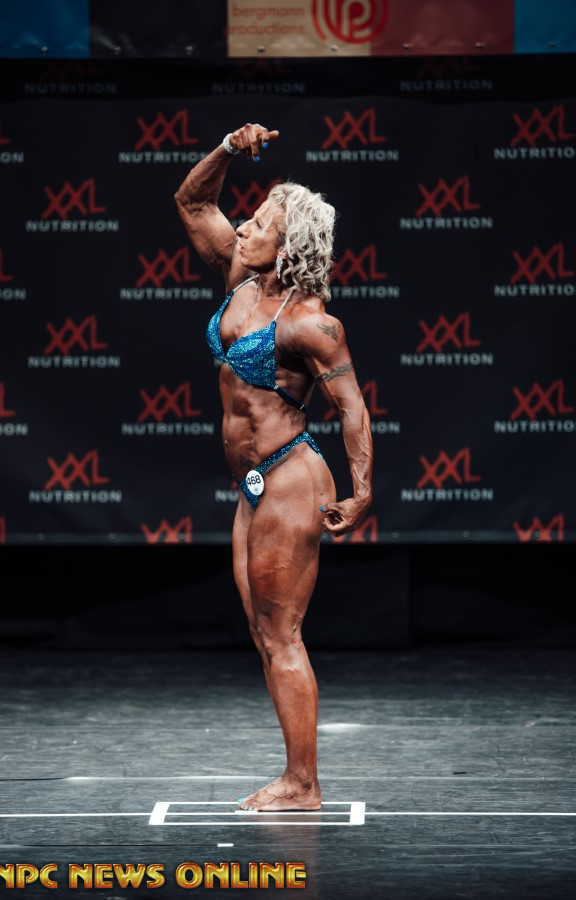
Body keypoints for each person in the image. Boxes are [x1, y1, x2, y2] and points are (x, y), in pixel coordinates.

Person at [174, 123, 373, 812]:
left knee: (281, 633)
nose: (244, 228)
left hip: (291, 478)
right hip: (253, 486)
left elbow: (352, 407)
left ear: (287, 249)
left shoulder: (311, 324)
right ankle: (297, 774)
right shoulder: (241, 276)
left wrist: (362, 492)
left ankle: (303, 784)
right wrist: (230, 149)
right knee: (264, 633)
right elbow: (193, 203)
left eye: (259, 224)